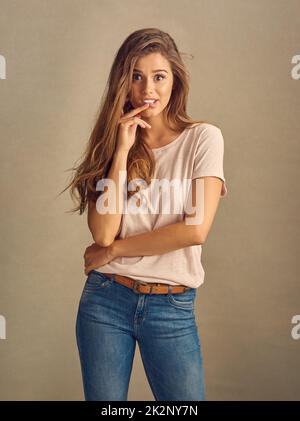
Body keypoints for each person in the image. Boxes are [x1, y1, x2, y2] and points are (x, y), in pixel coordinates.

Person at [62, 28, 228, 401]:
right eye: (136, 76)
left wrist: (119, 251)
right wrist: (121, 152)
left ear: (175, 81)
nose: (147, 89)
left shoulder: (203, 139)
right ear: (124, 83)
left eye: (159, 77)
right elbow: (103, 235)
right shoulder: (113, 145)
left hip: (171, 304)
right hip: (106, 300)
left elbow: (195, 230)